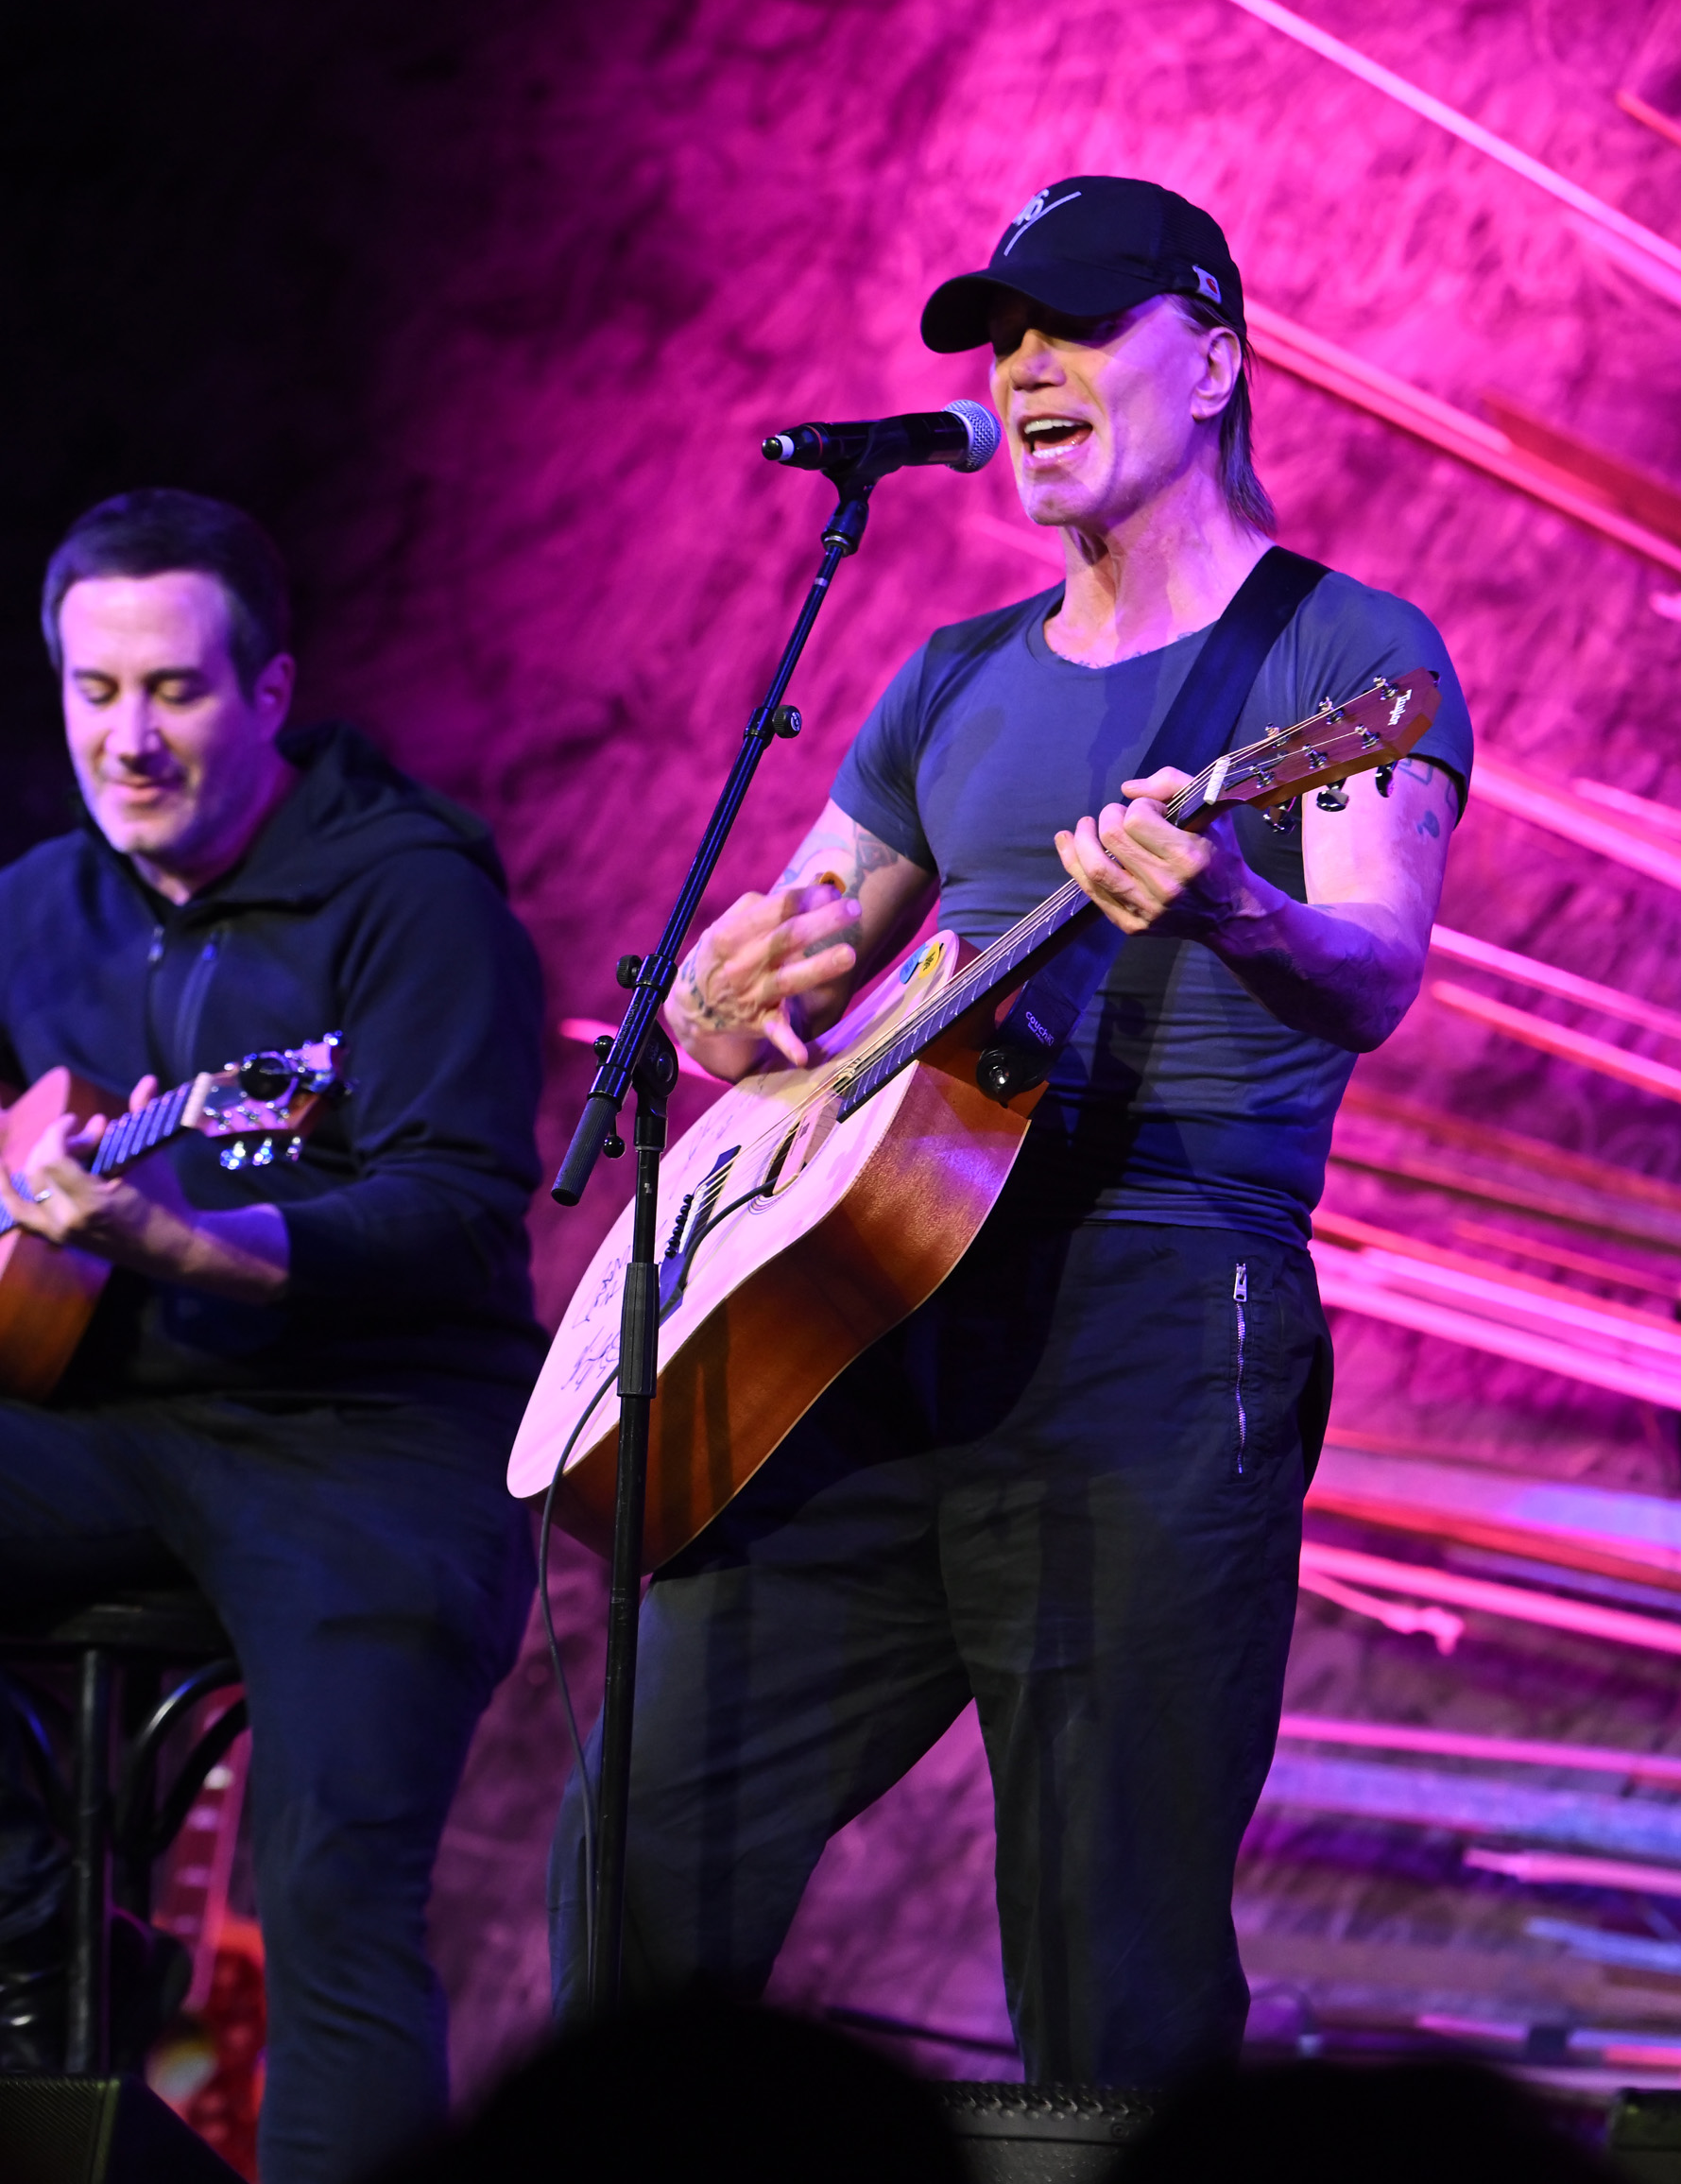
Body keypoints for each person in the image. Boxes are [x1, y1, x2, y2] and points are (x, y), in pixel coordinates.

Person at [550, 177, 1473, 2084]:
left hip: (1153, 1308)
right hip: (867, 1316)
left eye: (1072, 328)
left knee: (1109, 1951)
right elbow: (790, 989)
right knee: (647, 1829)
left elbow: (1375, 968)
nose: (1020, 368)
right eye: (1000, 338)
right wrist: (737, 1008)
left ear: (1214, 360)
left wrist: (1233, 905)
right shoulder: (948, 677)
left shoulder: (1339, 664)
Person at [0, 490, 545, 2184]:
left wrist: (186, 1235)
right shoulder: (47, 900)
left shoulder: (410, 899)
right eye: (94, 693)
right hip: (118, 1432)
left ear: (267, 695)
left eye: (173, 691)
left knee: (332, 1903)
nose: (130, 739)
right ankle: (50, 1941)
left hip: (374, 1454)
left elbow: (460, 1220)